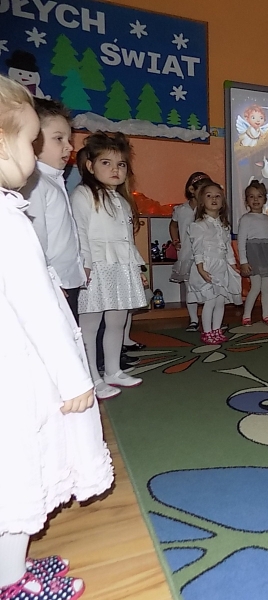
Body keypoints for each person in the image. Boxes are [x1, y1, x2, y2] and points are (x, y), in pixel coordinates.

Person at [0, 73, 112, 600]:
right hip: (22, 364)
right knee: (20, 465)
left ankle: (10, 568)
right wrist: (73, 377)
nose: (37, 150)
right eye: (30, 140)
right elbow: (37, 306)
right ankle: (9, 582)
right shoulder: (7, 220)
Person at [71, 132, 147, 396]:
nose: (116, 169)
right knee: (90, 326)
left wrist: (136, 267)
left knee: (117, 321)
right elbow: (79, 232)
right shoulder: (83, 194)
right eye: (107, 163)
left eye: (121, 164)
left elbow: (127, 240)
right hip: (96, 267)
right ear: (90, 166)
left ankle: (113, 371)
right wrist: (85, 265)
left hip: (120, 266)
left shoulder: (122, 201)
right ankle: (91, 377)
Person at [20, 98, 85, 322]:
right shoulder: (35, 183)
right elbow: (35, 238)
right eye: (59, 138)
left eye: (69, 139)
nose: (69, 147)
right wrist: (48, 279)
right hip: (53, 283)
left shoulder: (53, 181)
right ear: (33, 139)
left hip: (65, 280)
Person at [187, 181, 242, 343]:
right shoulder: (199, 225)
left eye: (218, 196)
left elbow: (227, 248)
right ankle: (207, 331)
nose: (214, 199)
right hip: (207, 266)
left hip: (221, 267)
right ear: (202, 201)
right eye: (209, 196)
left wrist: (232, 265)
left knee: (220, 300)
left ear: (222, 202)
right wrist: (200, 268)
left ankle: (217, 329)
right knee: (210, 300)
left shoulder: (223, 226)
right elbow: (197, 248)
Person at [238, 181, 268, 326]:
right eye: (251, 196)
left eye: (259, 196)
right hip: (253, 255)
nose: (255, 200)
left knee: (266, 287)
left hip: (266, 254)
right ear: (246, 200)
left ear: (265, 199)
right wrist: (243, 261)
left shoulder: (266, 218)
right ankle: (246, 316)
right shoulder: (245, 219)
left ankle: (266, 315)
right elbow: (241, 241)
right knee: (256, 286)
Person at [170, 171, 210, 332]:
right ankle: (194, 319)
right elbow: (173, 225)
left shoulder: (208, 210)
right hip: (187, 254)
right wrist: (175, 240)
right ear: (192, 190)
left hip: (206, 255)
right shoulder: (181, 210)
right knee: (190, 289)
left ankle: (210, 319)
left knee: (208, 287)